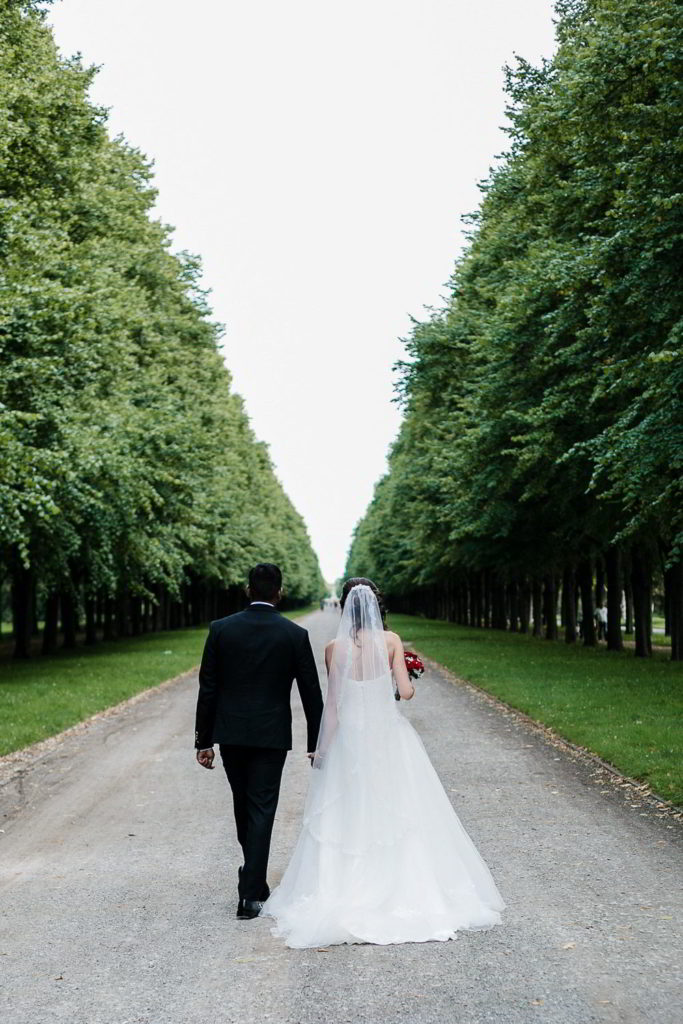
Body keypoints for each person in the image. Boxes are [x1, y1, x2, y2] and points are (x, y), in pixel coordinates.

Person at [260, 577, 506, 947]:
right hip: (388, 737)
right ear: (377, 606)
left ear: (344, 606)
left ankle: (342, 888)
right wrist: (406, 676)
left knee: (348, 811)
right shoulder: (391, 642)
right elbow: (405, 693)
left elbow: (334, 706)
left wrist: (322, 749)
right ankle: (401, 886)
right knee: (399, 807)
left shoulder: (333, 648)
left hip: (350, 740)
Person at [194, 563, 324, 920]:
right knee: (261, 807)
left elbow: (209, 688)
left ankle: (251, 882)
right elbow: (312, 693)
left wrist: (202, 741)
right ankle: (252, 889)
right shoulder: (294, 634)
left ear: (247, 589)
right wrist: (317, 740)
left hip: (231, 733)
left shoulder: (221, 630)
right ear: (278, 592)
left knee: (242, 803)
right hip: (271, 735)